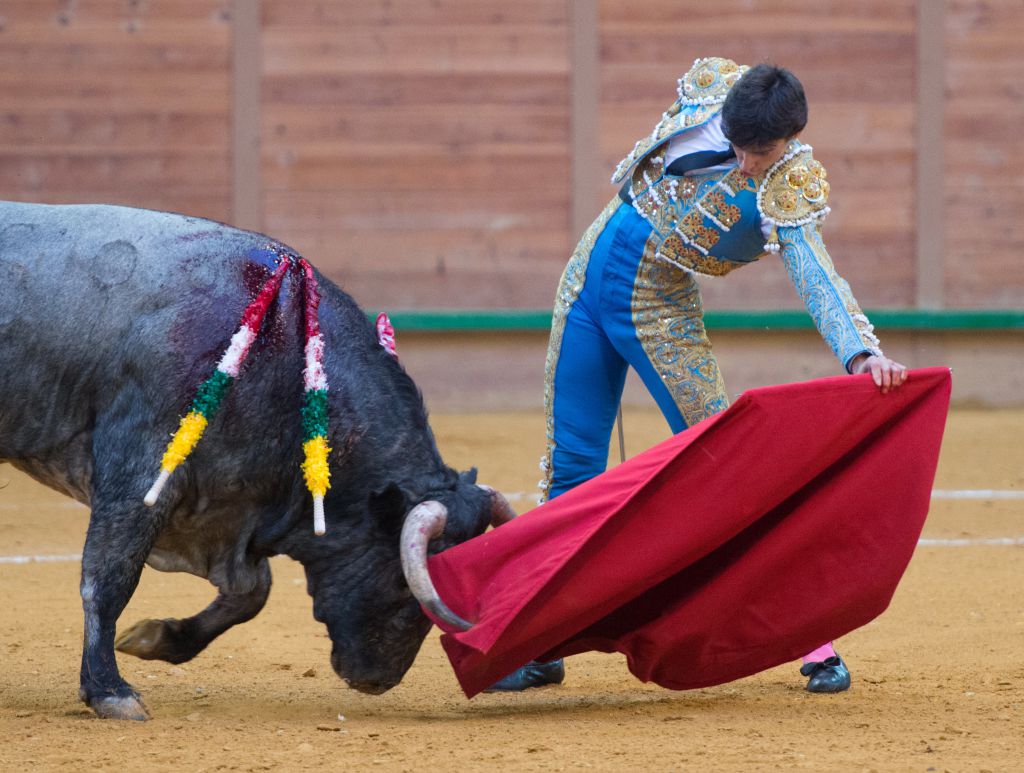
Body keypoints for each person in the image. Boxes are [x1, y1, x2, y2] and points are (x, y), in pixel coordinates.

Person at [486, 57, 908, 694]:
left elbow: (815, 273)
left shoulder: (787, 184)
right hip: (587, 277)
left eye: (759, 152)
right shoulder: (713, 85)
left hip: (658, 308)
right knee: (571, 464)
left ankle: (812, 642)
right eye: (737, 146)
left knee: (727, 464)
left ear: (791, 139)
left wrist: (859, 354)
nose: (745, 162)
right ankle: (545, 642)